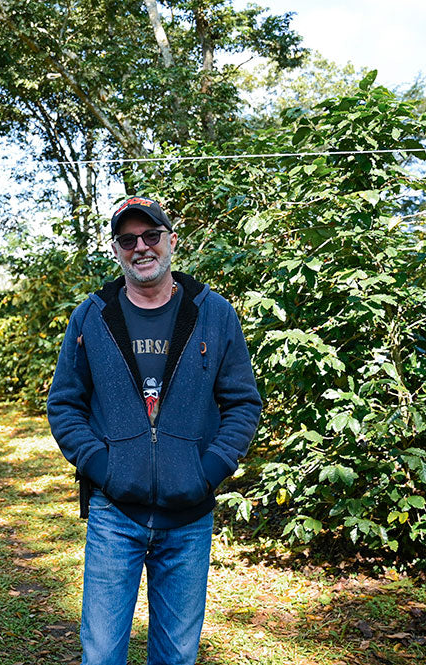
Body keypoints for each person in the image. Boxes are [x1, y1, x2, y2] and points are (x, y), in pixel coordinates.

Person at [46, 196, 262, 665]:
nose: (140, 247)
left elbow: (243, 403)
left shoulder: (214, 313)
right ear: (117, 250)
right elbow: (64, 404)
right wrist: (104, 467)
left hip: (189, 518)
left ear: (171, 241)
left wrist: (207, 472)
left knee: (176, 655)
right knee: (102, 653)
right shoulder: (92, 315)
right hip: (113, 514)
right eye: (128, 240)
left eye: (151, 236)